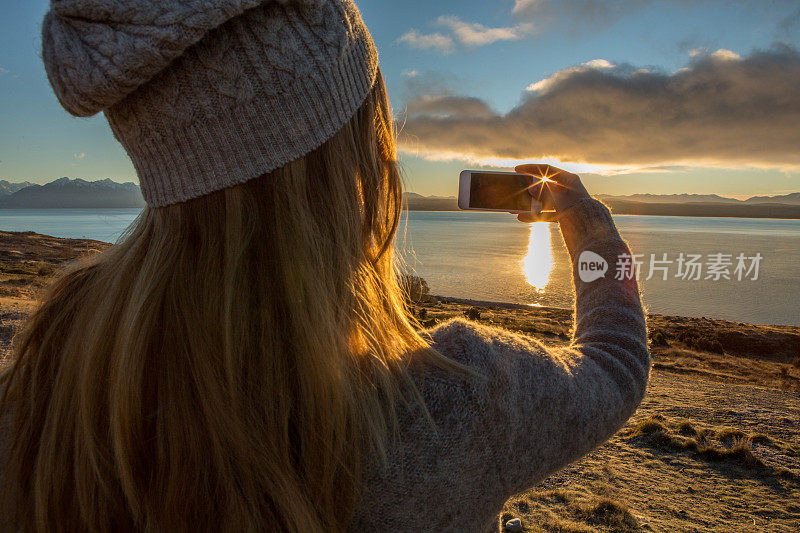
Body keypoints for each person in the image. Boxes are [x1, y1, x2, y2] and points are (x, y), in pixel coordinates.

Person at [0, 0, 650, 531]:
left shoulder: (62, 354)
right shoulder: (455, 400)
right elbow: (616, 365)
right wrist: (594, 229)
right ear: (362, 156)